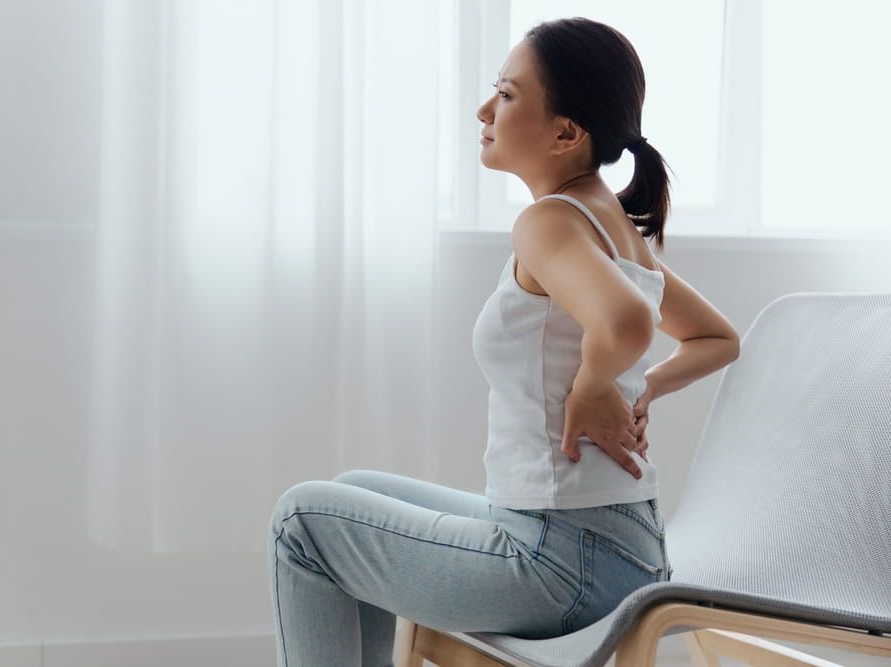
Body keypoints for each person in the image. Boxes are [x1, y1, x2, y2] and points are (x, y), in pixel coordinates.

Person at [267, 16, 741, 667]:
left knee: (301, 522)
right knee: (356, 490)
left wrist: (596, 386)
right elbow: (717, 337)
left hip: (558, 560)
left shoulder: (548, 223)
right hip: (624, 547)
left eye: (509, 94)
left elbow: (628, 324)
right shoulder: (613, 226)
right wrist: (640, 392)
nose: (484, 108)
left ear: (566, 132)